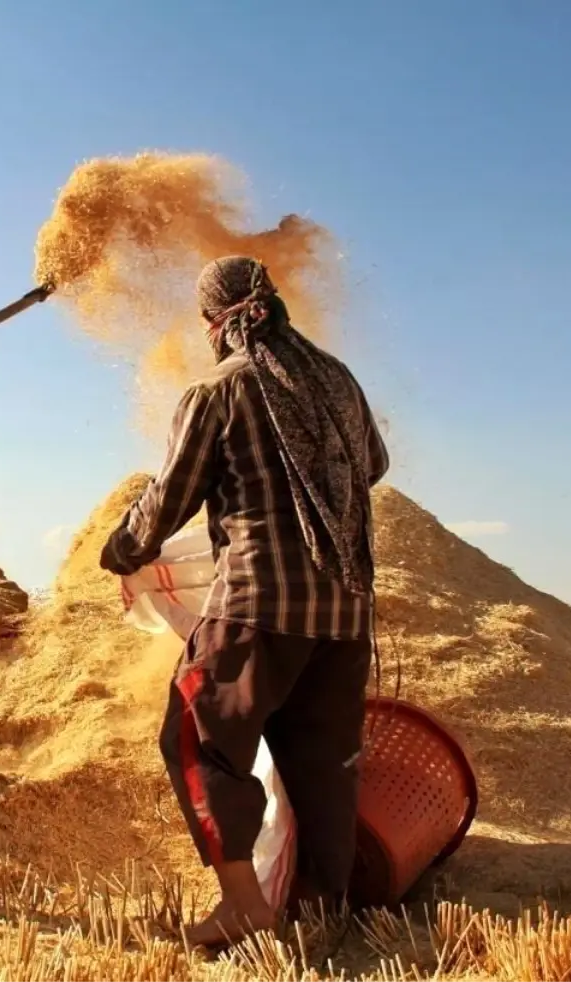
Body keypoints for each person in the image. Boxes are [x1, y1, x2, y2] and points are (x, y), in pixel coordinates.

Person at [100, 257, 388, 946]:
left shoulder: (219, 391)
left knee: (196, 739)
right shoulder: (339, 381)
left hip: (257, 606)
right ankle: (320, 908)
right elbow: (373, 464)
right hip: (346, 612)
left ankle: (244, 905)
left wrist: (123, 548)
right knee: (323, 761)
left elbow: (171, 497)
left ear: (217, 322)